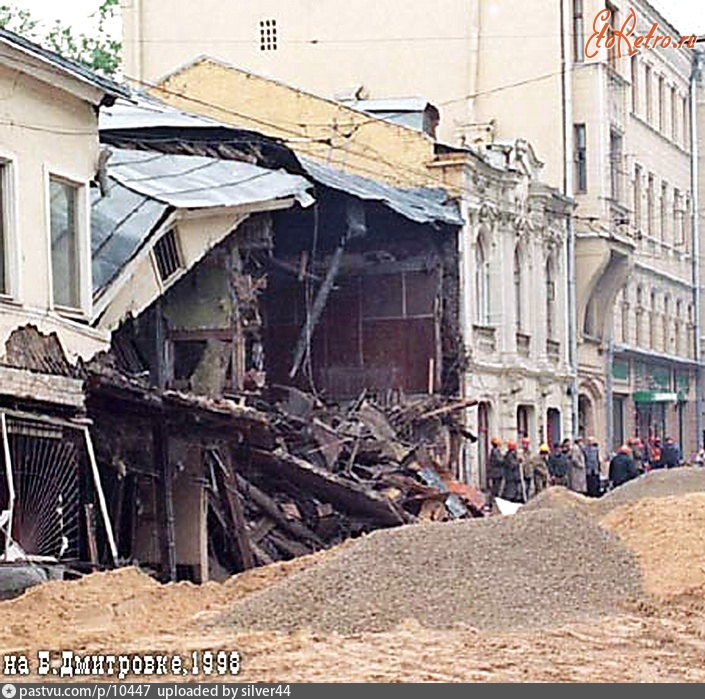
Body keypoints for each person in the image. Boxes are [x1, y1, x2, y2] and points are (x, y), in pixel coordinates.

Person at [518, 437, 534, 502]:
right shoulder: (520, 453)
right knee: (523, 487)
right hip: (522, 473)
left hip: (529, 473)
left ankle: (527, 498)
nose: (525, 445)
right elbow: (520, 461)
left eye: (526, 444)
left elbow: (532, 461)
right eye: (524, 444)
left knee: (528, 488)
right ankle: (522, 499)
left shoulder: (530, 453)